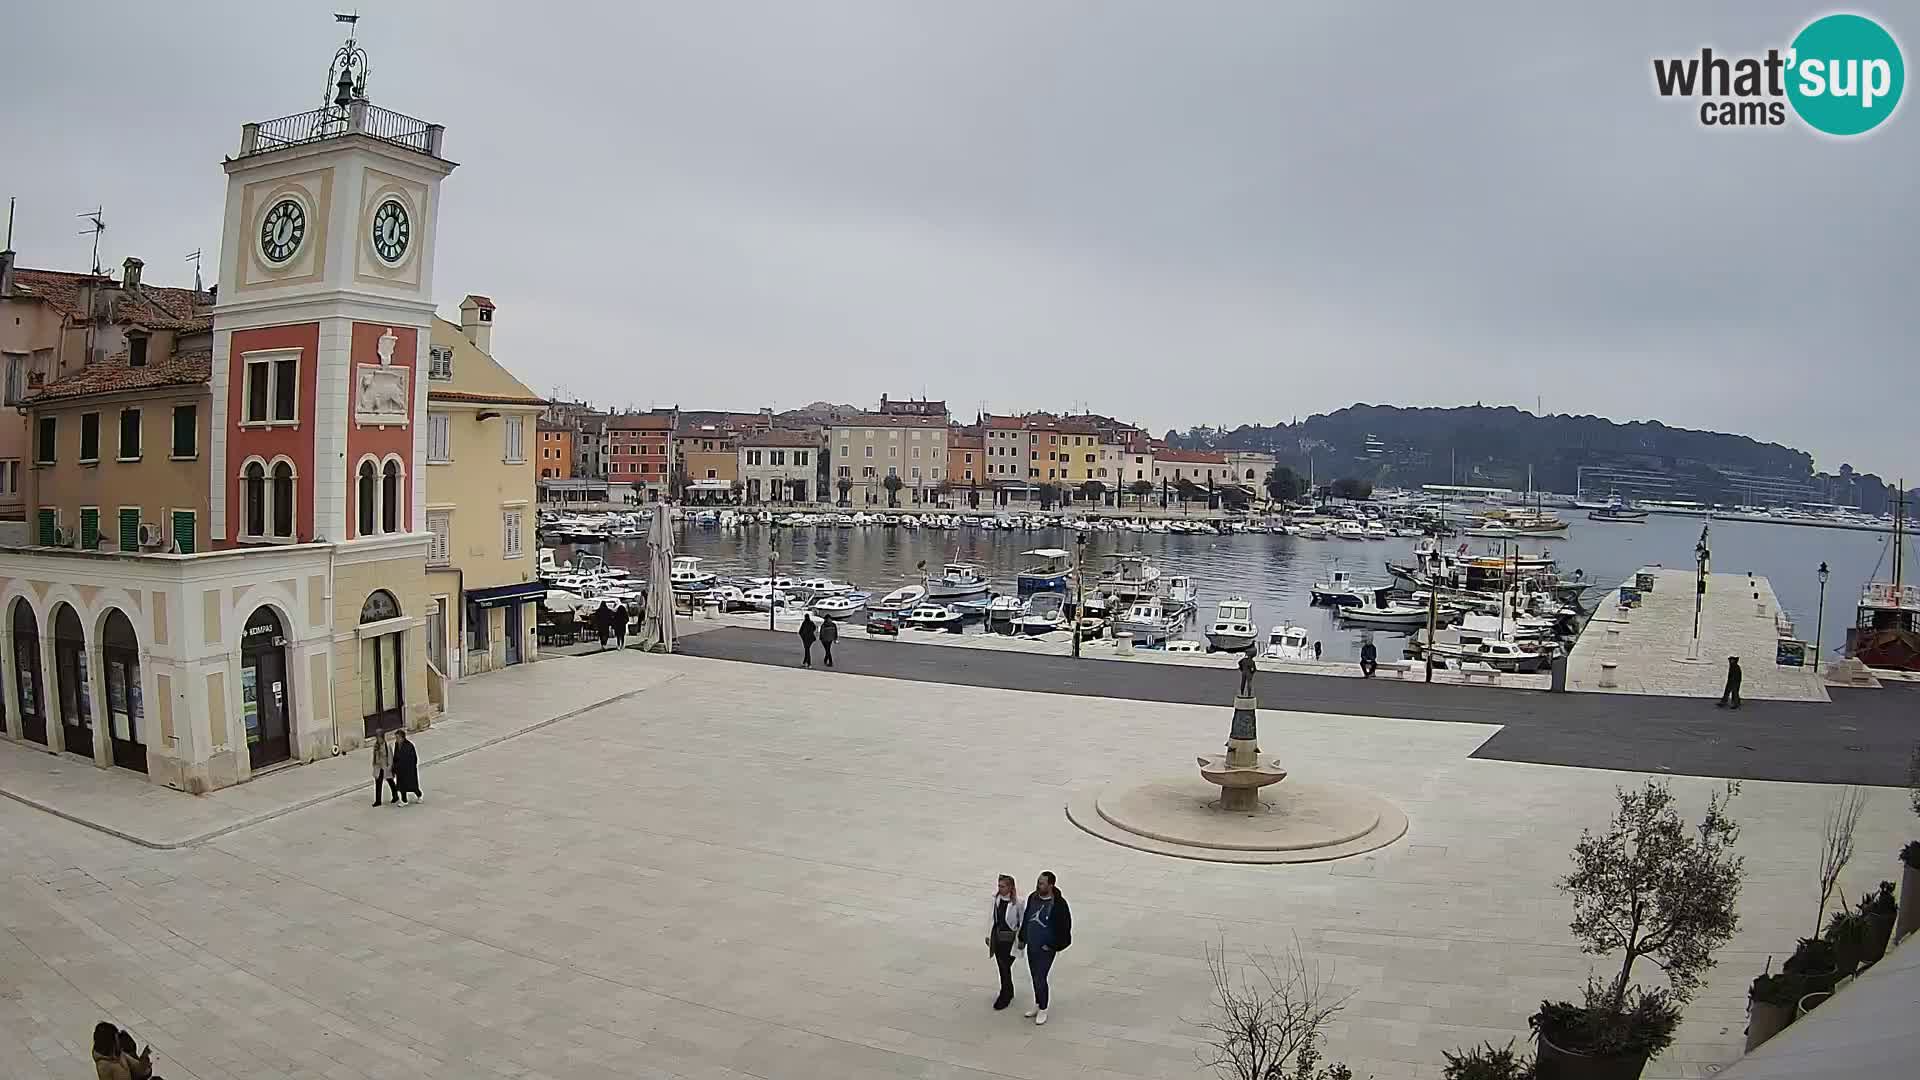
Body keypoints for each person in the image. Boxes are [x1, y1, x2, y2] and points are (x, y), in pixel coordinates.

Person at [1018, 871, 1072, 1025]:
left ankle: (1043, 1007)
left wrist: (1054, 945)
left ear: (1051, 885)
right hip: (1032, 945)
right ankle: (1037, 1002)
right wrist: (1022, 937)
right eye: (1038, 882)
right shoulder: (1033, 898)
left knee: (1041, 977)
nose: (1038, 885)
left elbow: (1065, 928)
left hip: (1046, 948)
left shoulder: (1059, 904)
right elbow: (1027, 917)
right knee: (1034, 975)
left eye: (1042, 883)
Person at [985, 874, 1025, 1011]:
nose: (1000, 888)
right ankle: (1007, 991)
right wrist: (988, 935)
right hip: (998, 938)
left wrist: (1021, 939)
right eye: (999, 886)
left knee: (1005, 966)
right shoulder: (995, 899)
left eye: (1003, 886)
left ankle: (1005, 993)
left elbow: (1022, 922)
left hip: (1010, 940)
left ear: (1010, 887)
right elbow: (991, 917)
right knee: (1002, 967)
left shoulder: (1018, 902)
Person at [389, 728, 421, 804]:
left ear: (402, 737)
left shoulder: (409, 746)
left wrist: (410, 767)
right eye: (396, 737)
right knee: (401, 786)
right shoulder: (397, 745)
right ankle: (404, 800)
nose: (396, 739)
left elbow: (414, 758)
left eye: (398, 738)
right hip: (400, 770)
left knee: (412, 786)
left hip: (409, 770)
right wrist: (394, 767)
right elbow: (396, 756)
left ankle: (419, 795)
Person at [370, 730, 392, 807]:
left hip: (385, 767)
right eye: (377, 738)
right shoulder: (376, 746)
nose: (378, 739)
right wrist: (374, 764)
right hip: (378, 767)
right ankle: (378, 800)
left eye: (379, 737)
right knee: (378, 784)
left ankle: (395, 795)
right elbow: (374, 755)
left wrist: (389, 766)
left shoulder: (387, 745)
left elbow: (390, 756)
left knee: (390, 781)